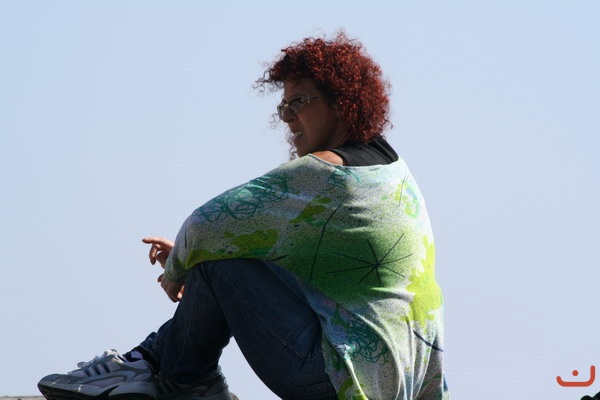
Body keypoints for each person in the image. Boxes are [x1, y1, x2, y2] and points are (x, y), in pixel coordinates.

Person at [37, 32, 449, 400]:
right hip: (402, 382)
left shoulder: (326, 174)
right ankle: (154, 362)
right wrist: (196, 253)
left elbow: (206, 225)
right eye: (283, 105)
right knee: (239, 248)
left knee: (220, 260)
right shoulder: (390, 169)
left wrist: (181, 267)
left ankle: (179, 380)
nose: (286, 117)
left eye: (298, 102)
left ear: (342, 104)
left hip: (339, 381)